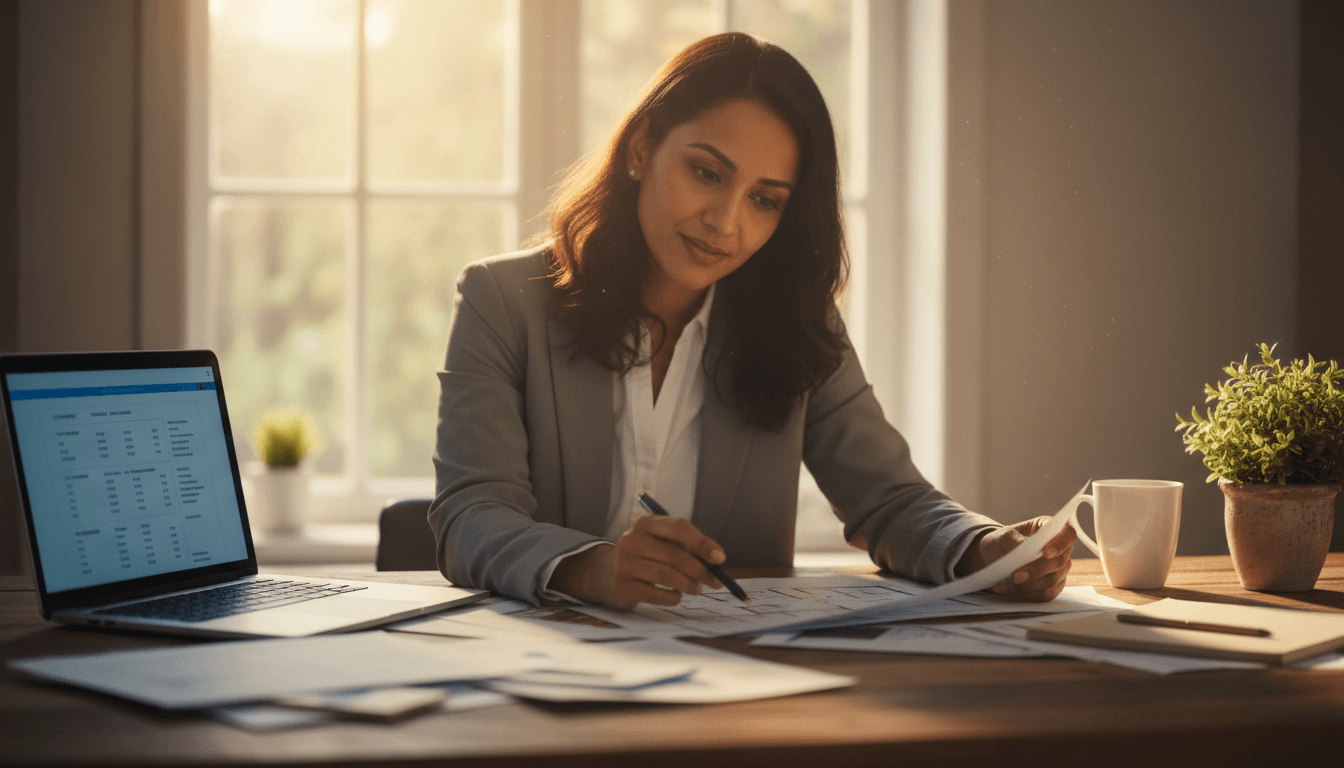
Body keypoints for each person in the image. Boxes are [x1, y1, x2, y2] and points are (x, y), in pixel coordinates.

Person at [430, 32, 1075, 610]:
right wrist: (593, 568)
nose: (726, 221)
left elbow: (890, 501)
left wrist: (987, 548)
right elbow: (472, 515)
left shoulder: (794, 321)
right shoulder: (502, 300)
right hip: (545, 677)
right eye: (706, 173)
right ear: (640, 147)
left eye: (765, 200)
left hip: (739, 679)